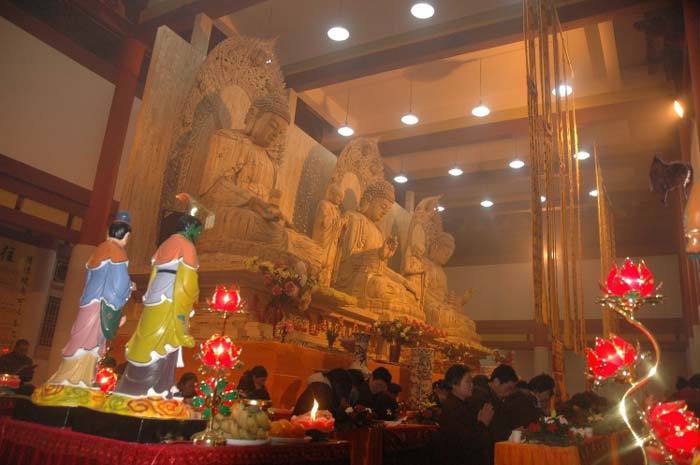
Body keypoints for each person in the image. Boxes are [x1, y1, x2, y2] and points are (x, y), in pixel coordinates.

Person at [114, 213, 201, 398]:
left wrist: (150, 294)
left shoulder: (165, 244)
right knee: (165, 340)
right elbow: (188, 281)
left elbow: (154, 270)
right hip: (172, 298)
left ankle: (134, 385)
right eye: (198, 231)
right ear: (190, 228)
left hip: (155, 296)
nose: (198, 235)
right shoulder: (187, 246)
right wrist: (193, 298)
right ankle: (158, 387)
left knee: (147, 338)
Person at [46, 212, 133, 388]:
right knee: (91, 342)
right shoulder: (117, 252)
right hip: (102, 302)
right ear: (124, 236)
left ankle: (68, 377)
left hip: (88, 301)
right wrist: (129, 288)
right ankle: (78, 380)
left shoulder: (99, 249)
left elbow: (90, 279)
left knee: (79, 339)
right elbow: (120, 282)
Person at [470, 364, 541, 456]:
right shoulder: (482, 399)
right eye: (508, 388)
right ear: (496, 381)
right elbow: (492, 430)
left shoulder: (494, 398)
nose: (508, 394)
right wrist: (512, 433)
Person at [434, 364, 494, 465]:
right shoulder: (453, 408)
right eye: (467, 381)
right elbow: (466, 443)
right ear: (454, 384)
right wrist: (483, 423)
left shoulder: (462, 404)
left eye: (472, 381)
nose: (472, 385)